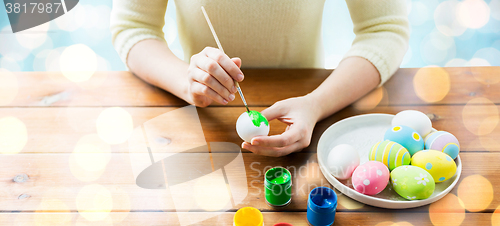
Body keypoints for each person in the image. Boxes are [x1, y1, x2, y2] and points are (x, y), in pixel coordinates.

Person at [110, 0, 409, 157]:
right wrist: (187, 82)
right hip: (199, 123)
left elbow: (384, 30)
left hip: (310, 107)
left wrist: (317, 104)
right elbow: (133, 27)